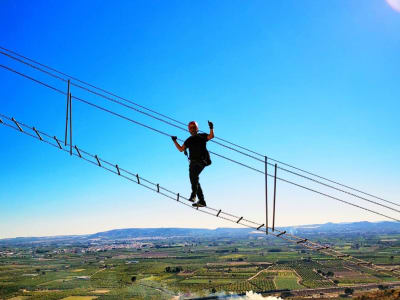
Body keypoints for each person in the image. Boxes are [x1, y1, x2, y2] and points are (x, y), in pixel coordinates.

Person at [171, 120, 214, 207]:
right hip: (193, 163)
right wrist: (175, 141)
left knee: (193, 177)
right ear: (189, 130)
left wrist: (211, 128)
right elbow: (181, 149)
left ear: (197, 129)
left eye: (194, 127)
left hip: (201, 161)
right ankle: (201, 201)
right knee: (194, 179)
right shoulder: (188, 140)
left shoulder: (201, 136)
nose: (192, 129)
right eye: (191, 128)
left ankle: (194, 195)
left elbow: (211, 136)